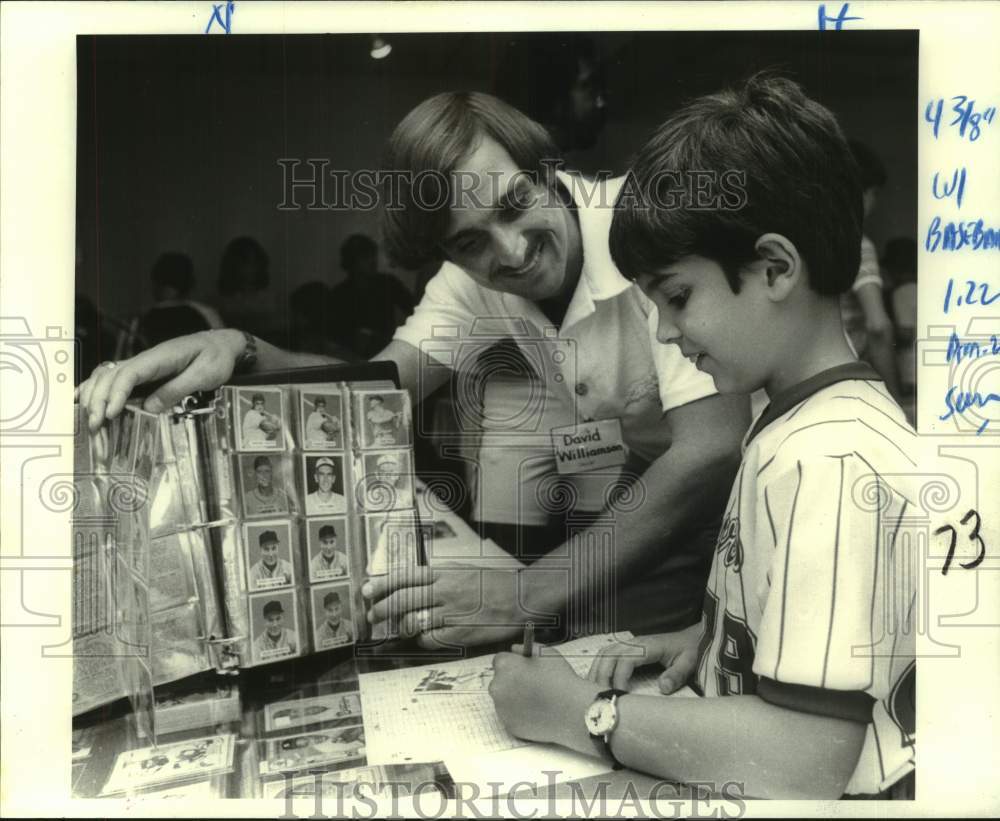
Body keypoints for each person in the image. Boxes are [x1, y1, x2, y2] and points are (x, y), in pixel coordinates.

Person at [77, 91, 749, 646]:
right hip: (650, 509)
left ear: (545, 168)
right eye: (470, 242)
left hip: (746, 504)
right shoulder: (468, 283)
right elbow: (375, 388)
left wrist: (524, 593)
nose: (510, 253)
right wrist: (242, 350)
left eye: (515, 204)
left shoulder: (639, 224)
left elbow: (712, 447)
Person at [488, 75, 917, 800]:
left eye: (678, 296)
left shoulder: (831, 461)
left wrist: (581, 714)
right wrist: (707, 639)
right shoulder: (795, 423)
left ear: (776, 267)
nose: (662, 330)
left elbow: (804, 759)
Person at [841, 140, 902, 400]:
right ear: (860, 192)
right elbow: (877, 326)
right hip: (851, 376)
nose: (874, 203)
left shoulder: (805, 244)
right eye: (874, 193)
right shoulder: (858, 245)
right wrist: (895, 399)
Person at [329, 233, 415, 358]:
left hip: (389, 350)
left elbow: (414, 308)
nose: (372, 261)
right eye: (365, 257)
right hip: (354, 357)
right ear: (352, 261)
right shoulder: (339, 293)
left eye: (373, 255)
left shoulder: (388, 283)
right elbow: (337, 335)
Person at [127, 252, 224, 356]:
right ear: (190, 283)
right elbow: (224, 350)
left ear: (155, 283)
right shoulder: (207, 314)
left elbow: (125, 358)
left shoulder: (139, 320)